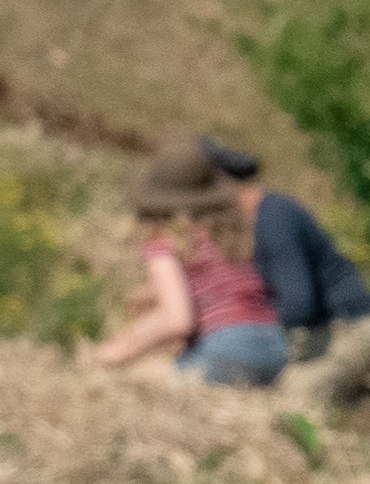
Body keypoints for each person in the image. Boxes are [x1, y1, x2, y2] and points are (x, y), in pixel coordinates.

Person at [211, 142, 370, 401]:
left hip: (352, 328)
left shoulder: (274, 219)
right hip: (332, 329)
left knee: (292, 399)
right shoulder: (267, 214)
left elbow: (298, 303)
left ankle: (367, 401)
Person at [88, 156, 289, 388]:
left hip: (226, 347)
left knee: (136, 379)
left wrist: (111, 353)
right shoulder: (234, 237)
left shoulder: (165, 241)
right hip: (274, 347)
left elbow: (176, 319)